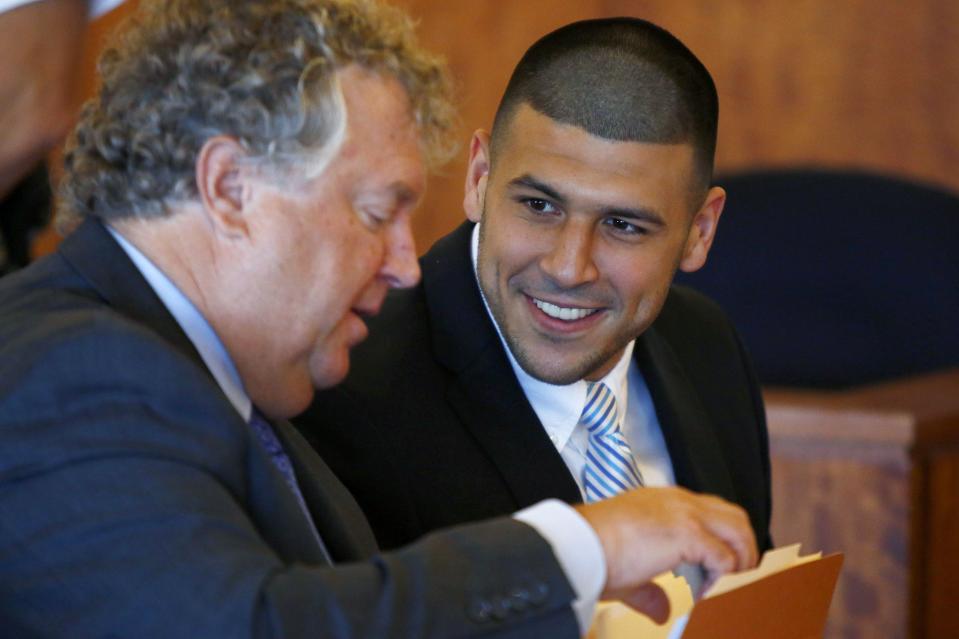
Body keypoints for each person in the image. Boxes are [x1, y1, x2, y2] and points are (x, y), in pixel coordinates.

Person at [0, 1, 757, 637]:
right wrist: (580, 548)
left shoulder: (209, 381)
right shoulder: (81, 370)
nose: (403, 263)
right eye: (375, 213)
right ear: (229, 186)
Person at [298, 16, 773, 563]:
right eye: (539, 206)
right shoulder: (345, 391)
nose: (568, 268)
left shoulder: (708, 345)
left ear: (699, 231)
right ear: (480, 179)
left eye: (624, 226)